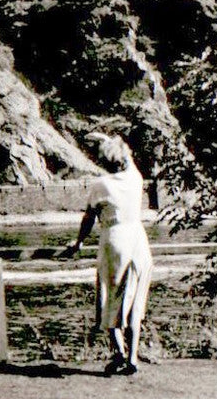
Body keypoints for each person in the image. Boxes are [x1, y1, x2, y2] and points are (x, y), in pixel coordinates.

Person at [61, 133, 154, 376]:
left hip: (114, 240)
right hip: (137, 238)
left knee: (109, 295)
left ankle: (119, 352)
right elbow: (129, 159)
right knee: (134, 299)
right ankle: (132, 357)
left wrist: (79, 242)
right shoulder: (135, 179)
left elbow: (89, 218)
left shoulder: (101, 185)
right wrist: (110, 140)